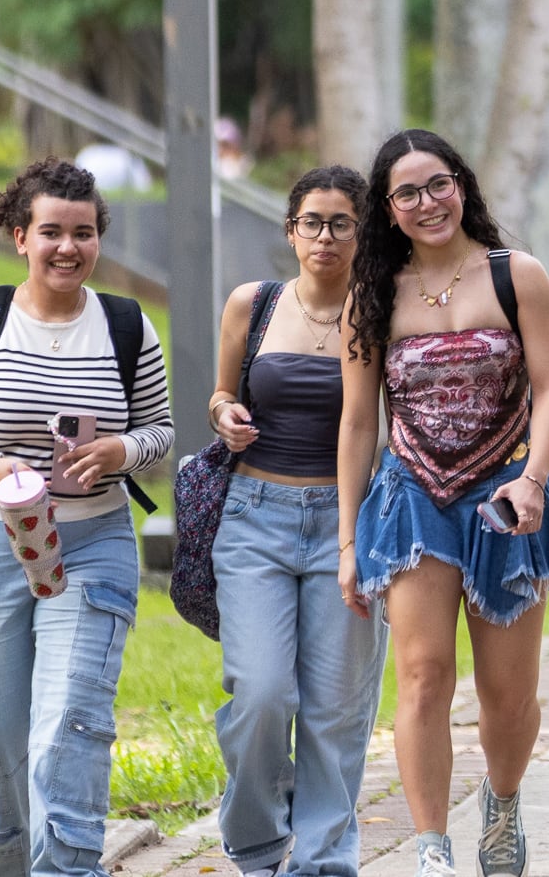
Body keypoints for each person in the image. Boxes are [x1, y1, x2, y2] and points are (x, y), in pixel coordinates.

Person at [0, 157, 173, 877]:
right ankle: (8, 865)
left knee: (69, 725)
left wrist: (120, 449)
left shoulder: (125, 325)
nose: (67, 248)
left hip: (93, 539)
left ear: (97, 240)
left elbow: (161, 431)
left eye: (83, 233)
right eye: (51, 231)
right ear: (20, 236)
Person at [338, 130, 549, 877]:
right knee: (423, 674)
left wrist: (533, 478)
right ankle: (431, 848)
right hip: (414, 502)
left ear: (461, 185)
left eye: (436, 184)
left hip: (507, 498)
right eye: (406, 193)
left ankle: (501, 807)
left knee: (508, 695)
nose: (426, 202)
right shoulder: (372, 295)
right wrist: (349, 542)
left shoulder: (516, 275)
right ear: (389, 210)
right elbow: (357, 421)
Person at [204, 166, 386, 877]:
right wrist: (227, 417)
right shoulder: (252, 304)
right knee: (260, 694)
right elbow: (220, 394)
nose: (326, 236)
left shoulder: (379, 312)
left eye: (342, 223)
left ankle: (323, 862)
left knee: (337, 712)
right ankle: (255, 845)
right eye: (312, 221)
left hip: (350, 520)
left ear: (362, 232)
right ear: (290, 230)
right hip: (255, 519)